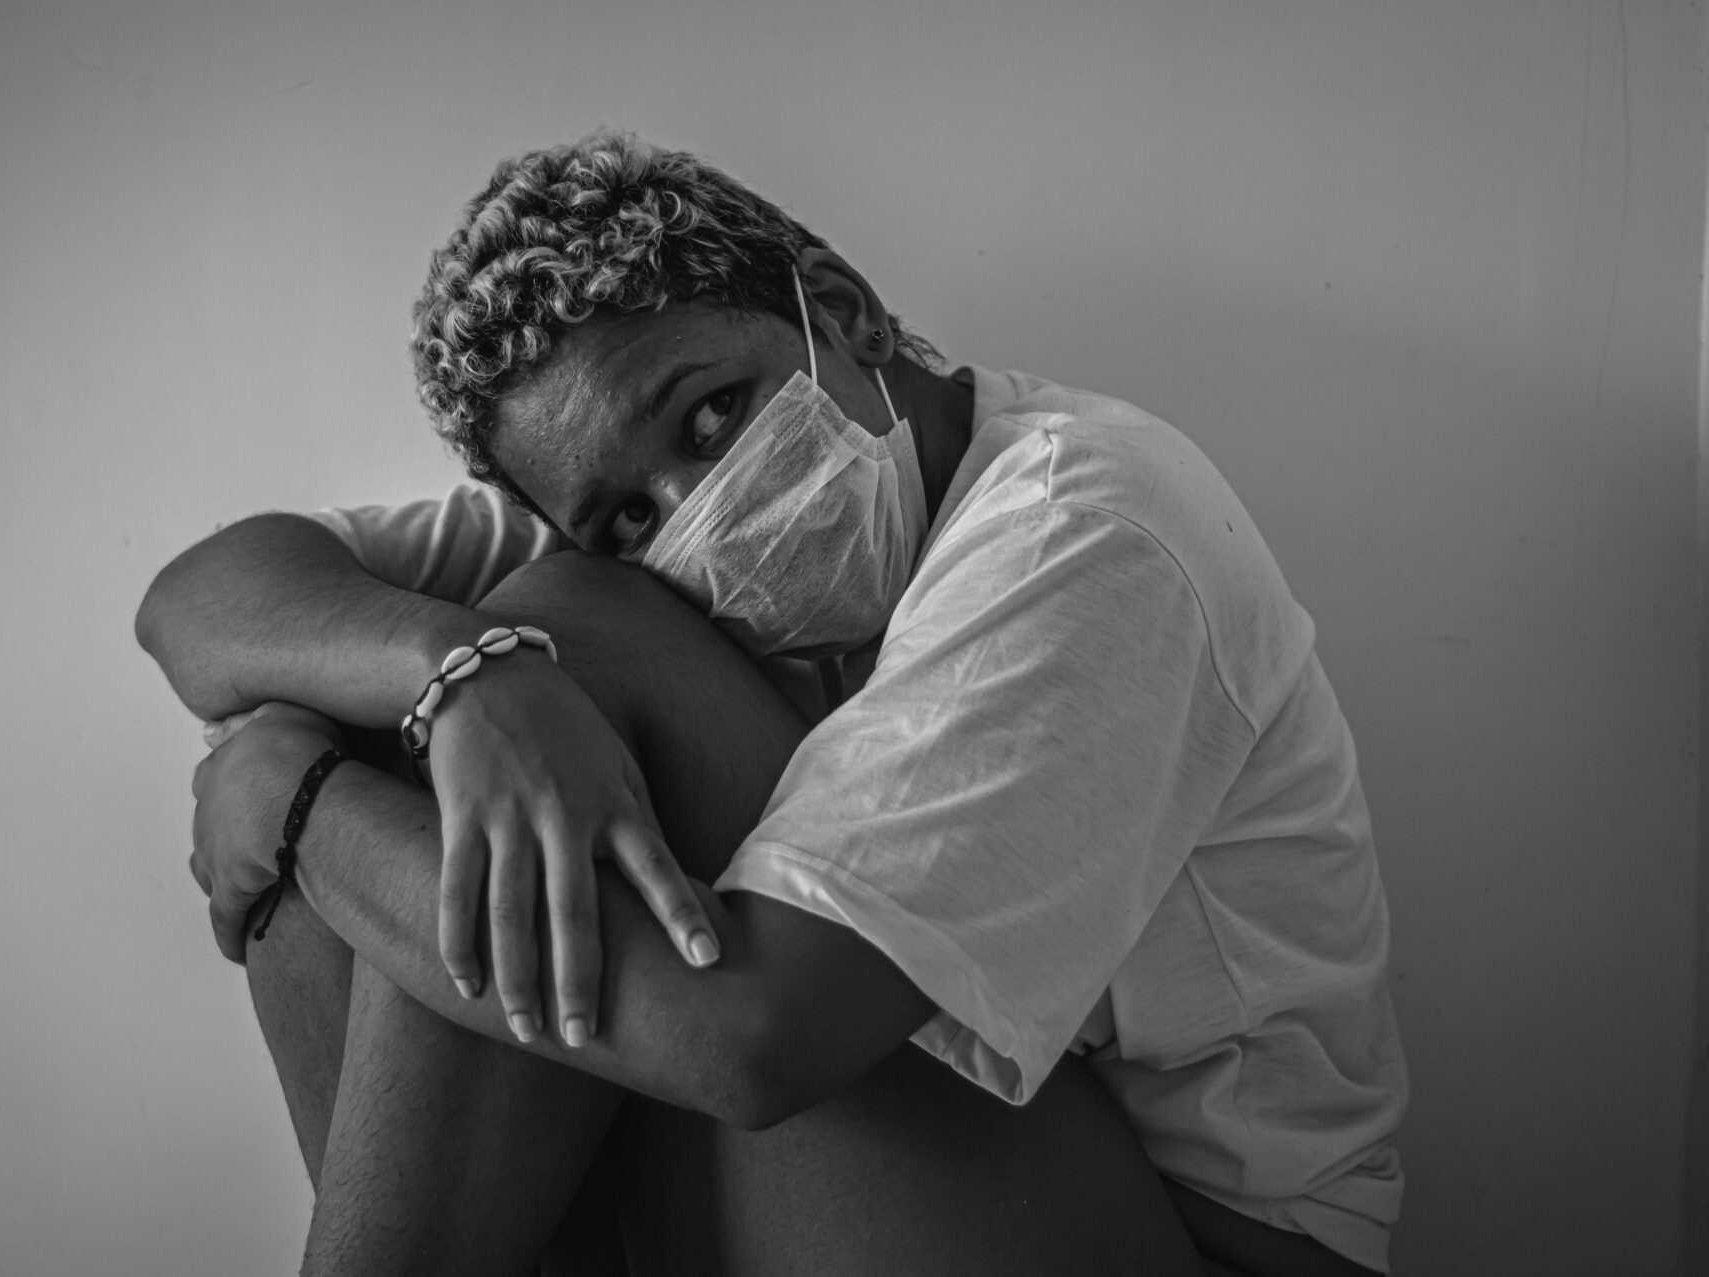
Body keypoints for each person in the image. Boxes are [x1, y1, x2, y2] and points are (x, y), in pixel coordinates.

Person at [138, 133, 1408, 1276]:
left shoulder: (1085, 521)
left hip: (1191, 1238)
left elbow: (756, 1042)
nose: (692, 511)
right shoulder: (622, 541)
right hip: (873, 1166)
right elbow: (202, 600)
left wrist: (297, 801)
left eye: (712, 415)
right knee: (406, 710)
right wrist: (449, 671)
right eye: (623, 513)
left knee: (532, 660)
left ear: (844, 314)